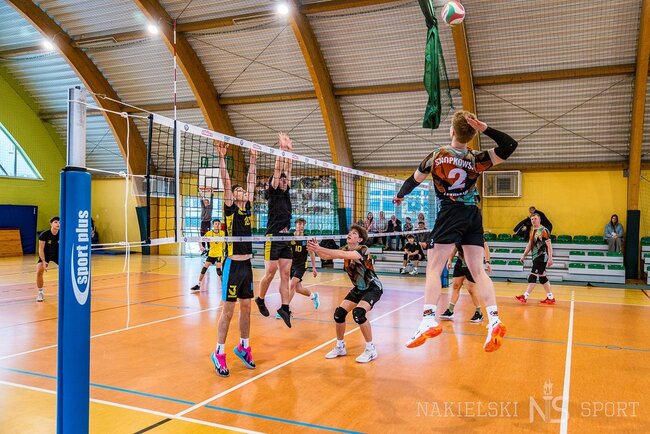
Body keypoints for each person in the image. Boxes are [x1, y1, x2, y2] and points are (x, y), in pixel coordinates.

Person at [393, 110, 517, 352]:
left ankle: (428, 319)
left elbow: (413, 180)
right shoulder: (476, 158)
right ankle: (494, 319)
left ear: (452, 131)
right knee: (478, 271)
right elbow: (510, 145)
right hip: (473, 215)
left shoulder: (437, 156)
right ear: (472, 134)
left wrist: (400, 195)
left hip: (450, 213)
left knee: (434, 268)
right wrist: (485, 128)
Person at [210, 141, 257, 377]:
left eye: (244, 192)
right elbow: (227, 182)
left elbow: (252, 182)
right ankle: (219, 352)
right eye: (239, 191)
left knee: (246, 308)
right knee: (228, 311)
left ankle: (243, 347)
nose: (243, 192)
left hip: (247, 265)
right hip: (232, 265)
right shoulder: (230, 209)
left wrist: (253, 159)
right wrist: (222, 158)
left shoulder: (247, 207)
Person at [308, 224, 382, 363]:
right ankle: (340, 346)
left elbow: (342, 255)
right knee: (339, 313)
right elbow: (325, 256)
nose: (350, 234)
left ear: (359, 239)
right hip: (358, 288)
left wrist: (319, 248)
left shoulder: (363, 249)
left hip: (373, 288)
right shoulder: (345, 248)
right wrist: (314, 248)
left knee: (359, 313)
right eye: (350, 232)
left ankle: (371, 349)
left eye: (354, 233)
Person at [255, 133, 294, 327]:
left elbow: (288, 169)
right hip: (273, 236)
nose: (285, 181)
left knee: (285, 274)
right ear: (275, 182)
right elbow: (278, 170)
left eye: (286, 180)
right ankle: (260, 299)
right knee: (270, 273)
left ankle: (284, 308)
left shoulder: (287, 193)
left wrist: (289, 151)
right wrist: (281, 150)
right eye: (282, 180)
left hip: (286, 237)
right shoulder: (273, 192)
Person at [440, 243, 492, 323]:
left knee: (471, 288)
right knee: (456, 286)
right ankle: (450, 310)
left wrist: (487, 261)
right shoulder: (458, 236)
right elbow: (454, 248)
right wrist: (450, 259)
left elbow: (485, 246)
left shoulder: (474, 235)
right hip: (460, 263)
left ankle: (479, 313)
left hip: (472, 263)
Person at [515, 213, 555, 305]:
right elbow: (530, 244)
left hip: (541, 256)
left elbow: (549, 245)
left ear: (539, 220)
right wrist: (524, 255)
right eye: (532, 219)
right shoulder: (532, 230)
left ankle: (525, 296)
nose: (533, 220)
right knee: (542, 278)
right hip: (535, 256)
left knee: (533, 276)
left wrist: (550, 258)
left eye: (535, 219)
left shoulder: (544, 230)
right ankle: (550, 298)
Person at [284, 218, 319, 315]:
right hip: (291, 265)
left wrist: (314, 267)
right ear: (295, 225)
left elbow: (311, 253)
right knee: (298, 289)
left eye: (303, 224)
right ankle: (314, 296)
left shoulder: (307, 238)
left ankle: (285, 309)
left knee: (292, 285)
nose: (301, 226)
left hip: (301, 265)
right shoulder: (290, 237)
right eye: (299, 224)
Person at [191, 219, 225, 292]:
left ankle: (224, 285)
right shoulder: (209, 233)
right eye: (216, 224)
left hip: (219, 254)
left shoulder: (223, 233)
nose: (217, 225)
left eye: (218, 224)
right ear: (213, 225)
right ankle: (198, 285)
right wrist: (201, 247)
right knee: (204, 269)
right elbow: (200, 239)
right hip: (211, 254)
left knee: (218, 270)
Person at [36, 216, 60, 302]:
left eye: (59, 222)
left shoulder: (63, 234)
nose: (58, 224)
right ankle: (40, 292)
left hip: (58, 254)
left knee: (67, 271)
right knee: (39, 271)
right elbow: (41, 249)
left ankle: (65, 291)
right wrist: (43, 261)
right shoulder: (44, 234)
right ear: (51, 224)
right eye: (56, 222)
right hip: (46, 255)